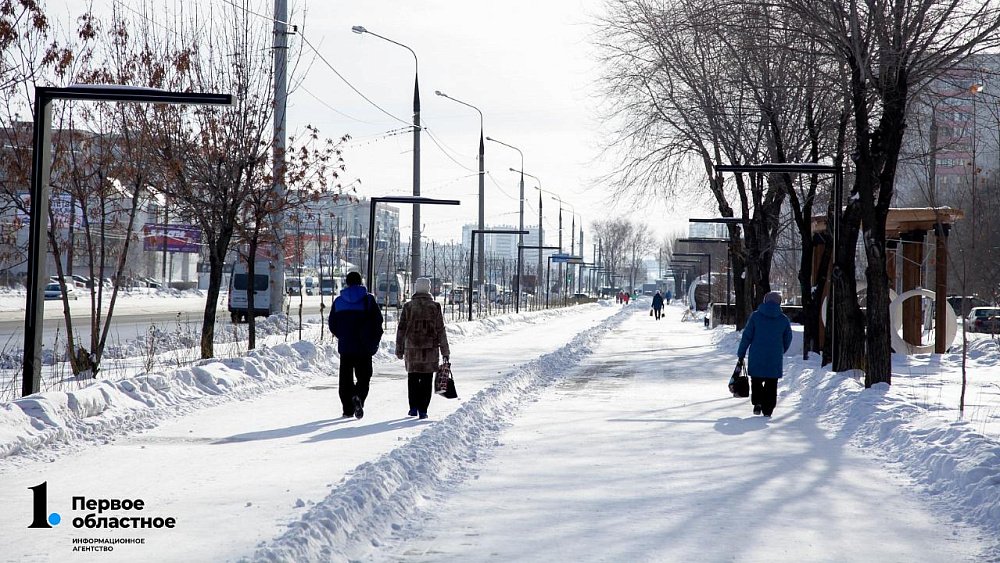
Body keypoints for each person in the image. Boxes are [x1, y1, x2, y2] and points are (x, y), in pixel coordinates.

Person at [329, 271, 384, 419]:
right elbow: (378, 322)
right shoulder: (368, 300)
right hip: (364, 347)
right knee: (364, 377)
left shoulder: (339, 301)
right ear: (361, 282)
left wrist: (343, 335)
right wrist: (374, 339)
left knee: (345, 379)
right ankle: (358, 396)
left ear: (347, 282)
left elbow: (332, 324)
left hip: (346, 347)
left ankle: (347, 409)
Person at [395, 277, 450, 420]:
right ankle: (423, 409)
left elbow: (401, 329)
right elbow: (440, 330)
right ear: (428, 289)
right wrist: (445, 351)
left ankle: (413, 407)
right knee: (426, 379)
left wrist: (399, 348)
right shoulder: (435, 307)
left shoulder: (408, 307)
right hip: (430, 350)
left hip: (411, 349)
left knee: (412, 378)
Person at [736, 291, 792, 418]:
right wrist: (781, 350)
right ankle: (768, 409)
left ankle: (757, 403)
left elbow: (747, 336)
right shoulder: (783, 320)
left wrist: (741, 352)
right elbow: (788, 338)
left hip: (757, 355)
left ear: (765, 301)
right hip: (774, 356)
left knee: (756, 380)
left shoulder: (755, 317)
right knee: (772, 383)